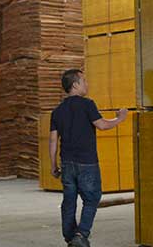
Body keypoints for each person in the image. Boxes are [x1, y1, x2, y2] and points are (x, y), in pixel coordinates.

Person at [49, 68, 128, 247]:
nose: (87, 84)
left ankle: (70, 238)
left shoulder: (57, 111)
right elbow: (102, 125)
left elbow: (53, 141)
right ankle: (81, 234)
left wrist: (53, 165)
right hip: (87, 162)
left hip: (67, 163)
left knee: (69, 201)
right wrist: (120, 119)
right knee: (92, 198)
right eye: (84, 80)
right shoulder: (87, 104)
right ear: (75, 84)